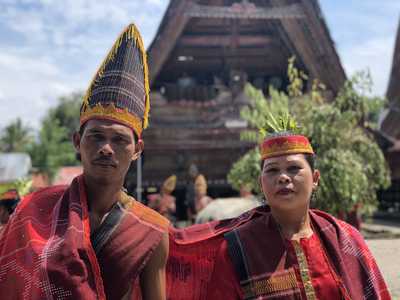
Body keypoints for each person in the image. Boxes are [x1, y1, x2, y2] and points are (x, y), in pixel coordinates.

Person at [0, 23, 169, 300]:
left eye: (119, 140)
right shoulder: (33, 210)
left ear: (137, 149)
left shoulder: (151, 229)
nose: (106, 148)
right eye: (96, 137)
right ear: (77, 142)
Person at [165, 117, 390, 300]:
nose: (283, 177)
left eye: (294, 168)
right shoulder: (238, 248)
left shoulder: (347, 239)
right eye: (272, 171)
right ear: (261, 182)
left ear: (315, 179)